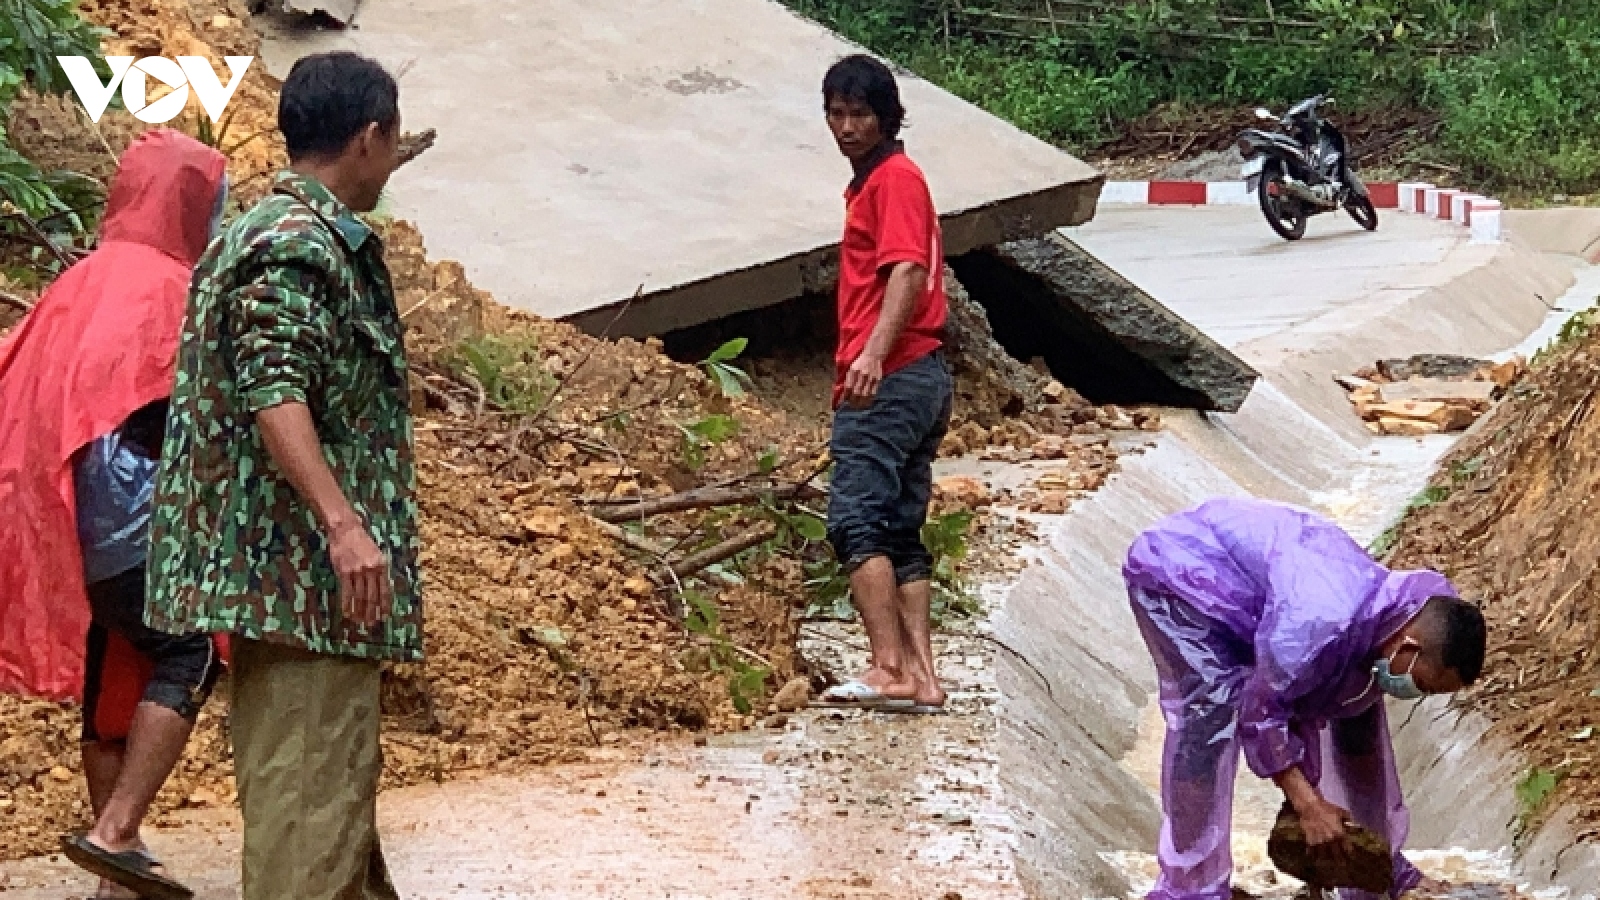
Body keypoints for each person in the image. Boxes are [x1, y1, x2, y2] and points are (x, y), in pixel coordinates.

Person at [144, 51, 418, 900]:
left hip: (300, 594)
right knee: (309, 828)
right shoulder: (298, 243)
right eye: (395, 137)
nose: (396, 154)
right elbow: (275, 389)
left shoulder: (268, 231)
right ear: (369, 137)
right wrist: (344, 527)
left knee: (333, 823)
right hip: (307, 590)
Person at [0, 129, 228, 900]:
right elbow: (186, 418)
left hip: (69, 528)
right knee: (190, 652)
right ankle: (117, 831)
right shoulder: (173, 290)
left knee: (111, 689)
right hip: (135, 527)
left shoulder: (80, 282)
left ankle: (115, 877)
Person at [1123, 496, 1488, 900]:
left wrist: (1365, 852)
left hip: (1274, 588)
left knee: (1359, 716)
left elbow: (1318, 708)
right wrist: (1308, 804)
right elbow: (1262, 714)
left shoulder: (1411, 612)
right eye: (1425, 684)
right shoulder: (1319, 626)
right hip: (1185, 573)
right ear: (1409, 649)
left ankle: (1380, 872)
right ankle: (1190, 885)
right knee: (1209, 715)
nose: (1418, 693)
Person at [815, 54, 953, 713]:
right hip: (922, 373)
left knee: (854, 519)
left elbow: (905, 273)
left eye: (860, 114)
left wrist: (870, 356)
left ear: (886, 116)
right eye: (837, 114)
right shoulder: (882, 180)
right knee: (900, 528)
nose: (847, 127)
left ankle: (887, 666)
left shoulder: (893, 181)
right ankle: (924, 679)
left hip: (890, 377)